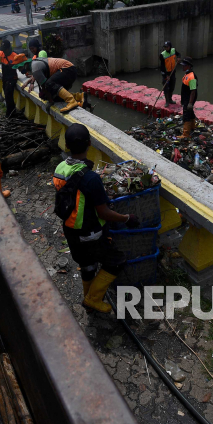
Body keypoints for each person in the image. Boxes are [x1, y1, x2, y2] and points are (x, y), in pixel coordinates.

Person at [53, 125, 138, 312]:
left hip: (70, 230)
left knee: (87, 265)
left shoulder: (60, 168)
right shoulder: (91, 178)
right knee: (116, 261)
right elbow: (104, 213)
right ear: (90, 144)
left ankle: (88, 296)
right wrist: (126, 218)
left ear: (66, 145)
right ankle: (92, 299)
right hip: (89, 233)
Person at [0, 39, 28, 117]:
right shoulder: (0, 54)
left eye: (4, 49)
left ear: (8, 48)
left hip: (12, 78)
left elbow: (20, 68)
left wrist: (26, 73)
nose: (3, 51)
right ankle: (12, 112)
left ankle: (10, 114)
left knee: (9, 94)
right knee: (6, 95)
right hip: (5, 78)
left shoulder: (15, 55)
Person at [179, 57, 197, 139]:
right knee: (190, 112)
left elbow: (193, 91)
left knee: (186, 115)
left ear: (189, 66)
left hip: (189, 98)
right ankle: (193, 127)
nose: (182, 67)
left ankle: (185, 134)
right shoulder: (187, 74)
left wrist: (190, 103)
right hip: (186, 97)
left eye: (184, 65)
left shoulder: (192, 77)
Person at [158, 41, 180, 106]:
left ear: (170, 46)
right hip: (166, 73)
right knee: (166, 87)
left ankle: (170, 99)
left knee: (172, 86)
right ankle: (167, 101)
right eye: (165, 47)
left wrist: (178, 57)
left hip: (172, 72)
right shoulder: (162, 55)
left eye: (167, 47)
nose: (166, 48)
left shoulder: (173, 50)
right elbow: (162, 67)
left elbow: (179, 54)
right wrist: (166, 75)